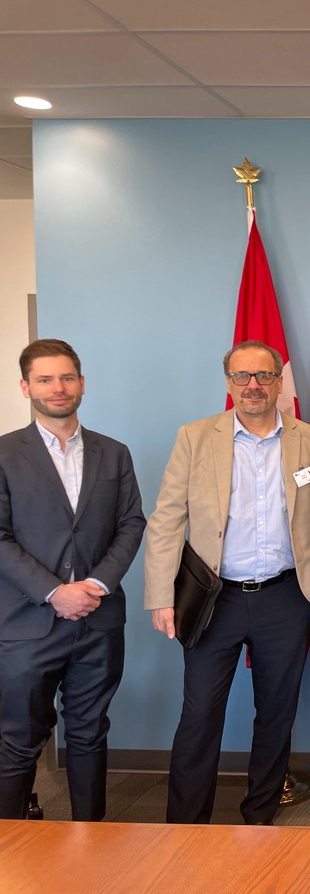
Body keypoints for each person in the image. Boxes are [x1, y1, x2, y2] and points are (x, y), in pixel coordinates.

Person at [144, 340, 310, 826]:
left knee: (276, 715)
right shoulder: (195, 437)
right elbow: (167, 519)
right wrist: (162, 596)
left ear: (279, 381)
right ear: (228, 382)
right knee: (200, 715)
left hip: (286, 598)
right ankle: (186, 826)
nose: (253, 385)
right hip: (213, 599)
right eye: (242, 376)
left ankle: (260, 818)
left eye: (263, 376)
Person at [0, 339, 145, 821]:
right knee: (19, 740)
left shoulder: (114, 453)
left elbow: (131, 524)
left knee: (88, 733)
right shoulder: (3, 454)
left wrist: (96, 586)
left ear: (82, 383)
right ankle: (12, 846)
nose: (57, 388)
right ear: (26, 387)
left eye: (66, 378)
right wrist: (54, 592)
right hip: (26, 624)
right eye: (44, 379)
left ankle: (90, 839)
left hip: (98, 623)